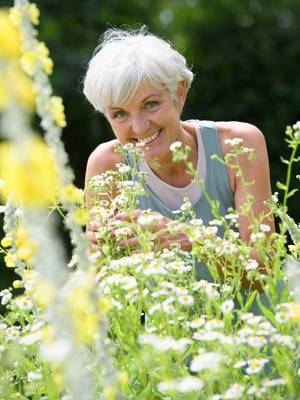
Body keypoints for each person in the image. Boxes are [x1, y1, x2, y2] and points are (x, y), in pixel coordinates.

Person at [83, 27, 274, 290]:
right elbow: (102, 288)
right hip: (164, 330)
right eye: (119, 114)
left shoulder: (238, 145)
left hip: (259, 328)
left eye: (150, 104)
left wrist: (189, 239)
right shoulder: (106, 166)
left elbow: (265, 273)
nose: (139, 128)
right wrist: (97, 255)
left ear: (179, 93)